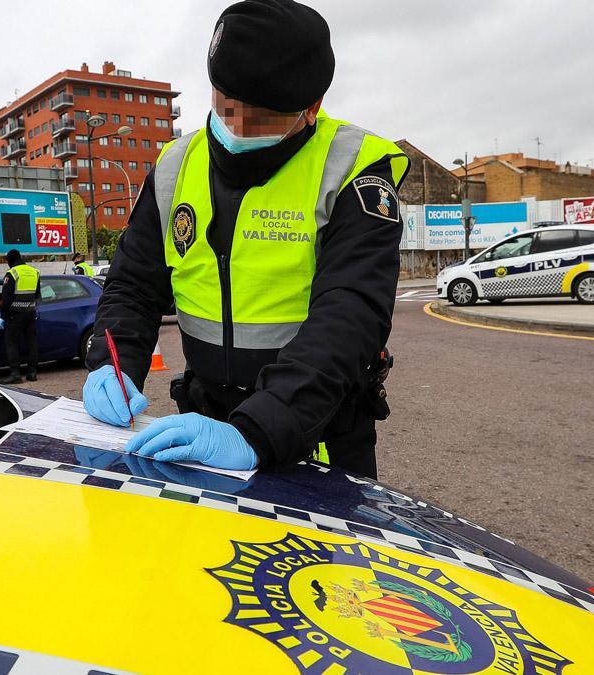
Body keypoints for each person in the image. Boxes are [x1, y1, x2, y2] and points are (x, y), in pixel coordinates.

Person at [82, 0, 407, 478]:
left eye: (260, 118)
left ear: (311, 109)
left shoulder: (353, 169)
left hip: (314, 431)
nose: (236, 128)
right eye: (227, 106)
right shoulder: (176, 165)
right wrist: (114, 361)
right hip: (203, 424)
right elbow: (133, 284)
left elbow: (351, 313)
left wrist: (261, 428)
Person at [0, 249, 41, 384]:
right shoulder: (35, 272)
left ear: (10, 260)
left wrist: (3, 317)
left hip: (15, 315)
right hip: (30, 313)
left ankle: (15, 374)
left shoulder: (12, 274)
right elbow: (37, 295)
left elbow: (6, 298)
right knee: (31, 343)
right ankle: (32, 373)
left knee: (11, 343)